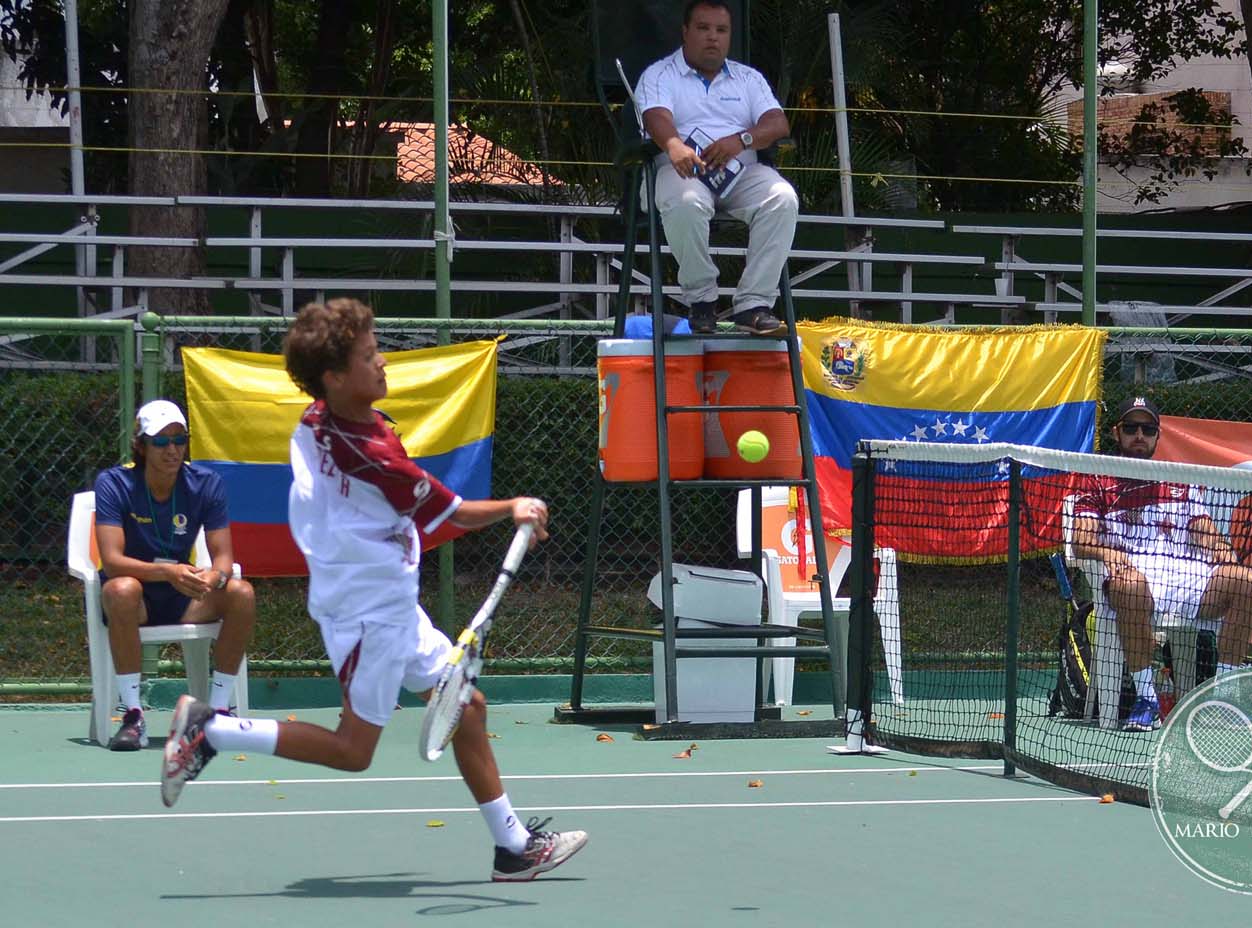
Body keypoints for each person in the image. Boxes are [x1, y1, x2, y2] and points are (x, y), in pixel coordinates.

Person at [160, 299, 587, 883]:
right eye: (368, 356)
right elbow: (454, 512)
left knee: (469, 709)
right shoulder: (373, 453)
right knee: (354, 750)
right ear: (335, 378)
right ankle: (210, 729)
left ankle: (513, 847)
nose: (382, 362)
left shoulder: (317, 418)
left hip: (381, 599)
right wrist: (516, 506)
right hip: (370, 614)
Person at [1071, 396, 1252, 732]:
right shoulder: (1098, 479)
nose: (1139, 435)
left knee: (1245, 580)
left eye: (1148, 429)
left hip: (1187, 578)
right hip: (1132, 580)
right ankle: (1147, 700)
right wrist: (1110, 555)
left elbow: (1203, 529)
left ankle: (1226, 697)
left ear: (1158, 436)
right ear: (1118, 433)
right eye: (1131, 428)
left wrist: (1219, 547)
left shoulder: (1178, 477)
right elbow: (1081, 540)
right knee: (1129, 586)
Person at [93, 399, 256, 750]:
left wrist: (214, 579)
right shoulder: (113, 483)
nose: (172, 450)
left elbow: (224, 557)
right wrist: (168, 572)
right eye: (161, 442)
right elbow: (112, 562)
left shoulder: (206, 483)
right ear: (141, 445)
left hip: (187, 596)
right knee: (120, 589)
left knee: (241, 593)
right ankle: (134, 715)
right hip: (137, 599)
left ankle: (217, 713)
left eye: (179, 439)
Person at [636, 0, 799, 336]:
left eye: (721, 30)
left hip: (741, 173)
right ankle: (702, 302)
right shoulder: (659, 74)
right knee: (687, 201)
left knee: (783, 198)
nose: (713, 37)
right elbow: (656, 117)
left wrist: (741, 140)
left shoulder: (748, 78)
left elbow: (777, 123)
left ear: (729, 37)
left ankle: (753, 305)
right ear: (685, 32)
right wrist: (674, 145)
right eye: (703, 28)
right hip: (682, 171)